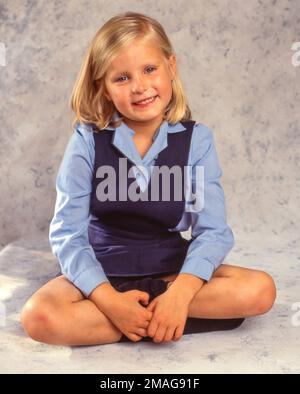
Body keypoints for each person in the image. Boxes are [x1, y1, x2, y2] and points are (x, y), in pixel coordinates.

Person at [20, 12, 276, 346]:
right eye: (122, 78)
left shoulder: (196, 139)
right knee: (38, 317)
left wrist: (181, 293)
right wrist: (107, 299)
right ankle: (151, 320)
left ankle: (155, 313)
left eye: (150, 69)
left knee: (259, 291)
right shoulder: (87, 140)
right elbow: (68, 234)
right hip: (101, 271)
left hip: (171, 270)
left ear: (171, 67)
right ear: (104, 88)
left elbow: (211, 232)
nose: (140, 86)